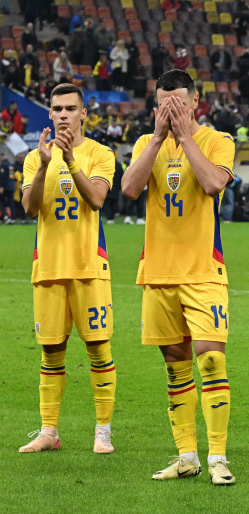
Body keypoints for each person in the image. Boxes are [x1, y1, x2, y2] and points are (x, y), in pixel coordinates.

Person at [120, 69, 236, 485]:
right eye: (165, 104)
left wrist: (185, 137)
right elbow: (130, 189)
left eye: (179, 104)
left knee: (210, 356)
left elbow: (212, 184)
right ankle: (187, 455)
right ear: (155, 108)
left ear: (194, 104)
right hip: (158, 271)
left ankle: (219, 456)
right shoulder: (142, 143)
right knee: (175, 365)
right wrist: (155, 139)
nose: (172, 111)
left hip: (204, 269)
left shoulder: (217, 140)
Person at [17, 84, 117, 455]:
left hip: (89, 266)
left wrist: (70, 159)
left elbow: (95, 199)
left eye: (70, 109)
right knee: (51, 352)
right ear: (49, 113)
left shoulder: (100, 154)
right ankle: (48, 432)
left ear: (83, 114)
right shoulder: (33, 158)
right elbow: (29, 209)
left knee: (98, 348)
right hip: (49, 267)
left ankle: (102, 431)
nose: (63, 115)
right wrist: (45, 165)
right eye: (57, 109)